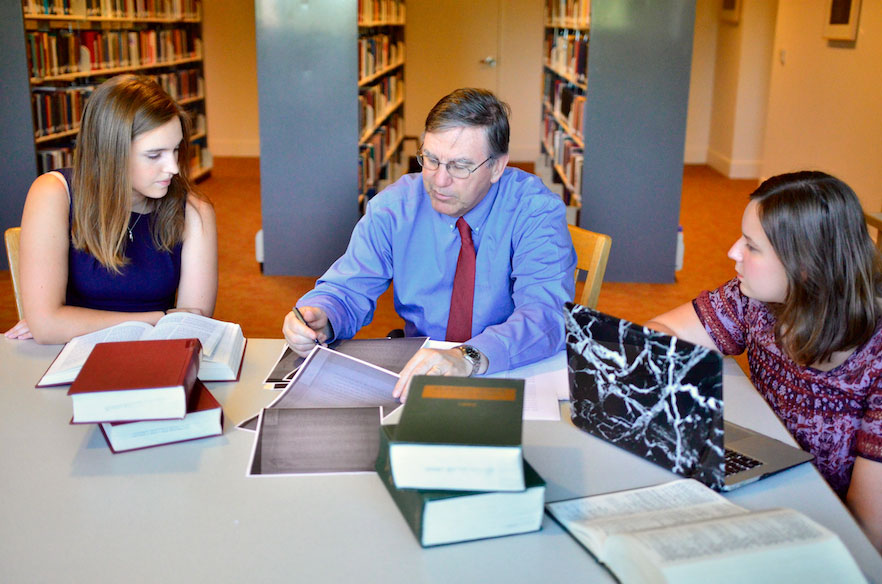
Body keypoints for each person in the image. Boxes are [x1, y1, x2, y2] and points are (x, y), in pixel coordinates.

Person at [283, 88, 576, 399]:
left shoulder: (534, 210)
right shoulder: (395, 207)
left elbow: (547, 312)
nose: (438, 180)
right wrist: (322, 315)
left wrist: (469, 357)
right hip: (421, 371)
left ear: (497, 167)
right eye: (431, 159)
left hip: (508, 368)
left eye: (460, 166)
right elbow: (348, 287)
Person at [645, 171, 882, 551]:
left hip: (817, 532)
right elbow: (658, 333)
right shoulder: (753, 300)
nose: (733, 252)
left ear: (805, 266)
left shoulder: (875, 359)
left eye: (752, 247)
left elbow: (868, 532)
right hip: (760, 485)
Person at [4, 74, 217, 344]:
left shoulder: (194, 211)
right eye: (154, 155)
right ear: (110, 153)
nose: (174, 168)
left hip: (155, 357)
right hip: (71, 356)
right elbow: (47, 328)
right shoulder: (54, 193)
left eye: (175, 150)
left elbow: (190, 328)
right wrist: (160, 318)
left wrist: (71, 322)